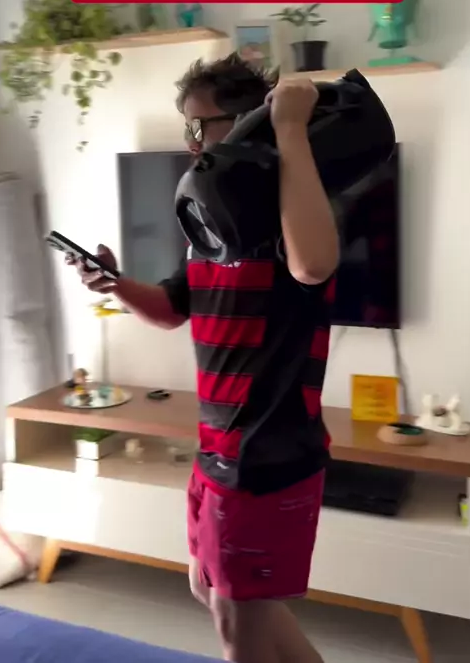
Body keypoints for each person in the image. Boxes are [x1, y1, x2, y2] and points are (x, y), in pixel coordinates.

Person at [70, 54, 339, 663]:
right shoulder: (215, 224)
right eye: (186, 127)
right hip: (218, 448)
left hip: (267, 455)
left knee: (236, 622)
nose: (191, 143)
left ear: (245, 123)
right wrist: (115, 283)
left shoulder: (293, 208)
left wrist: (289, 126)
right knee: (210, 589)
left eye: (201, 125)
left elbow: (314, 265)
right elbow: (172, 308)